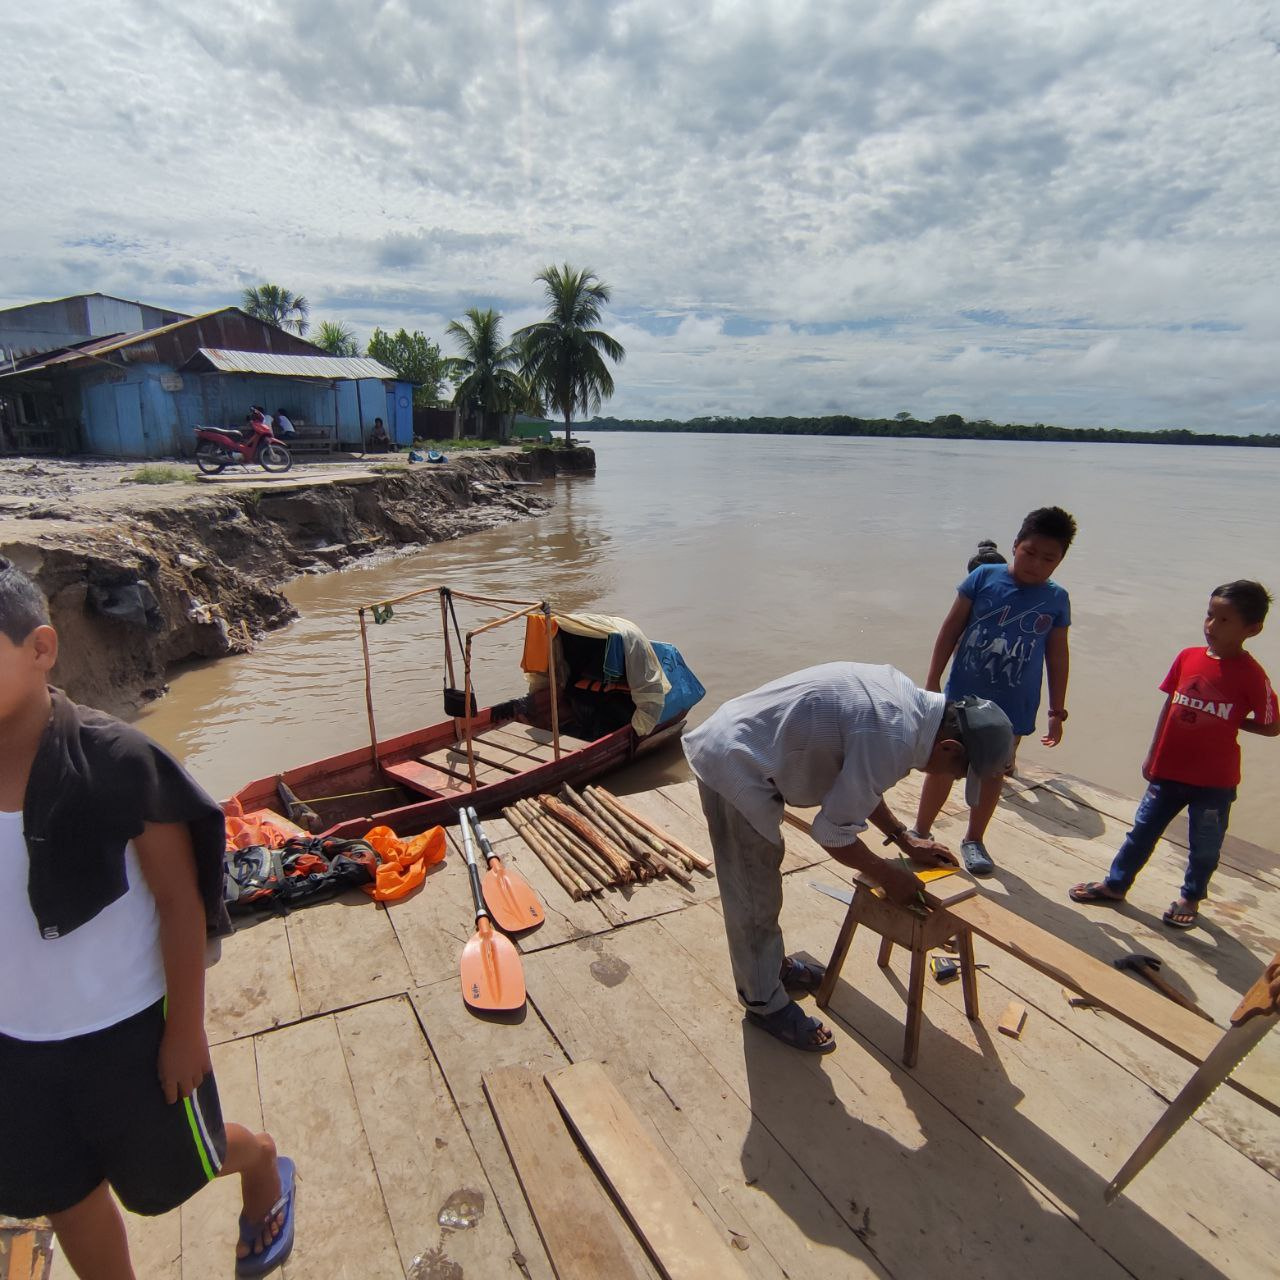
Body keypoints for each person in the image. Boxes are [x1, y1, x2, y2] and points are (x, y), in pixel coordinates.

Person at [0, 558, 297, 1278]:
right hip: (15, 1042)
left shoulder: (119, 764)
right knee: (63, 1194)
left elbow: (178, 900)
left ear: (41, 650)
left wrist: (186, 1029)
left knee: (178, 1160)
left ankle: (259, 1161)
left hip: (124, 1031)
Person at [683, 662, 1015, 1053]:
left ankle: (769, 969)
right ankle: (762, 1003)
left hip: (748, 738)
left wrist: (903, 839)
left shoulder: (906, 705)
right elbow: (831, 833)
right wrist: (886, 873)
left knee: (759, 889)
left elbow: (858, 782)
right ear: (948, 748)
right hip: (736, 764)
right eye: (960, 774)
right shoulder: (893, 736)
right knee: (754, 895)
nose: (954, 781)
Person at [1069, 581, 1277, 929]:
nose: (1211, 626)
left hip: (1214, 783)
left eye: (1224, 620)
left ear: (1252, 629)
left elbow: (1272, 725)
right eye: (1209, 616)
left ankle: (1190, 897)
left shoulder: (1252, 676)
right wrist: (1153, 755)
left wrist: (1231, 720)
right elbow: (1170, 705)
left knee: (1204, 846)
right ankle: (1116, 884)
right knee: (1142, 831)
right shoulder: (1187, 657)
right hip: (1168, 772)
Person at [911, 506, 1076, 876]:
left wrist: (1057, 710)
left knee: (992, 773)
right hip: (962, 698)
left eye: (1048, 559)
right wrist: (933, 680)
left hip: (1013, 706)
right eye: (1029, 552)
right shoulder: (984, 577)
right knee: (941, 764)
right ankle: (919, 831)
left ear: (1061, 561)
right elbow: (949, 630)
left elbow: (1058, 656)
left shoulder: (1056, 599)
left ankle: (974, 840)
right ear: (1015, 545)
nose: (1036, 564)